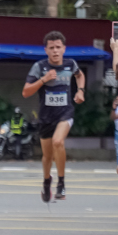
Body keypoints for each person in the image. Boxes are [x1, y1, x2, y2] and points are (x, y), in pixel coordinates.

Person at [23, 31, 85, 202]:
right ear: (46, 50)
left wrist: (80, 91)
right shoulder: (40, 67)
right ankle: (46, 181)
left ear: (64, 49)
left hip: (65, 113)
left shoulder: (70, 64)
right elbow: (26, 92)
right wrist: (43, 80)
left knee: (58, 141)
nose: (55, 51)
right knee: (47, 156)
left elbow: (80, 75)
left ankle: (61, 183)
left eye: (58, 47)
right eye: (52, 48)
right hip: (46, 116)